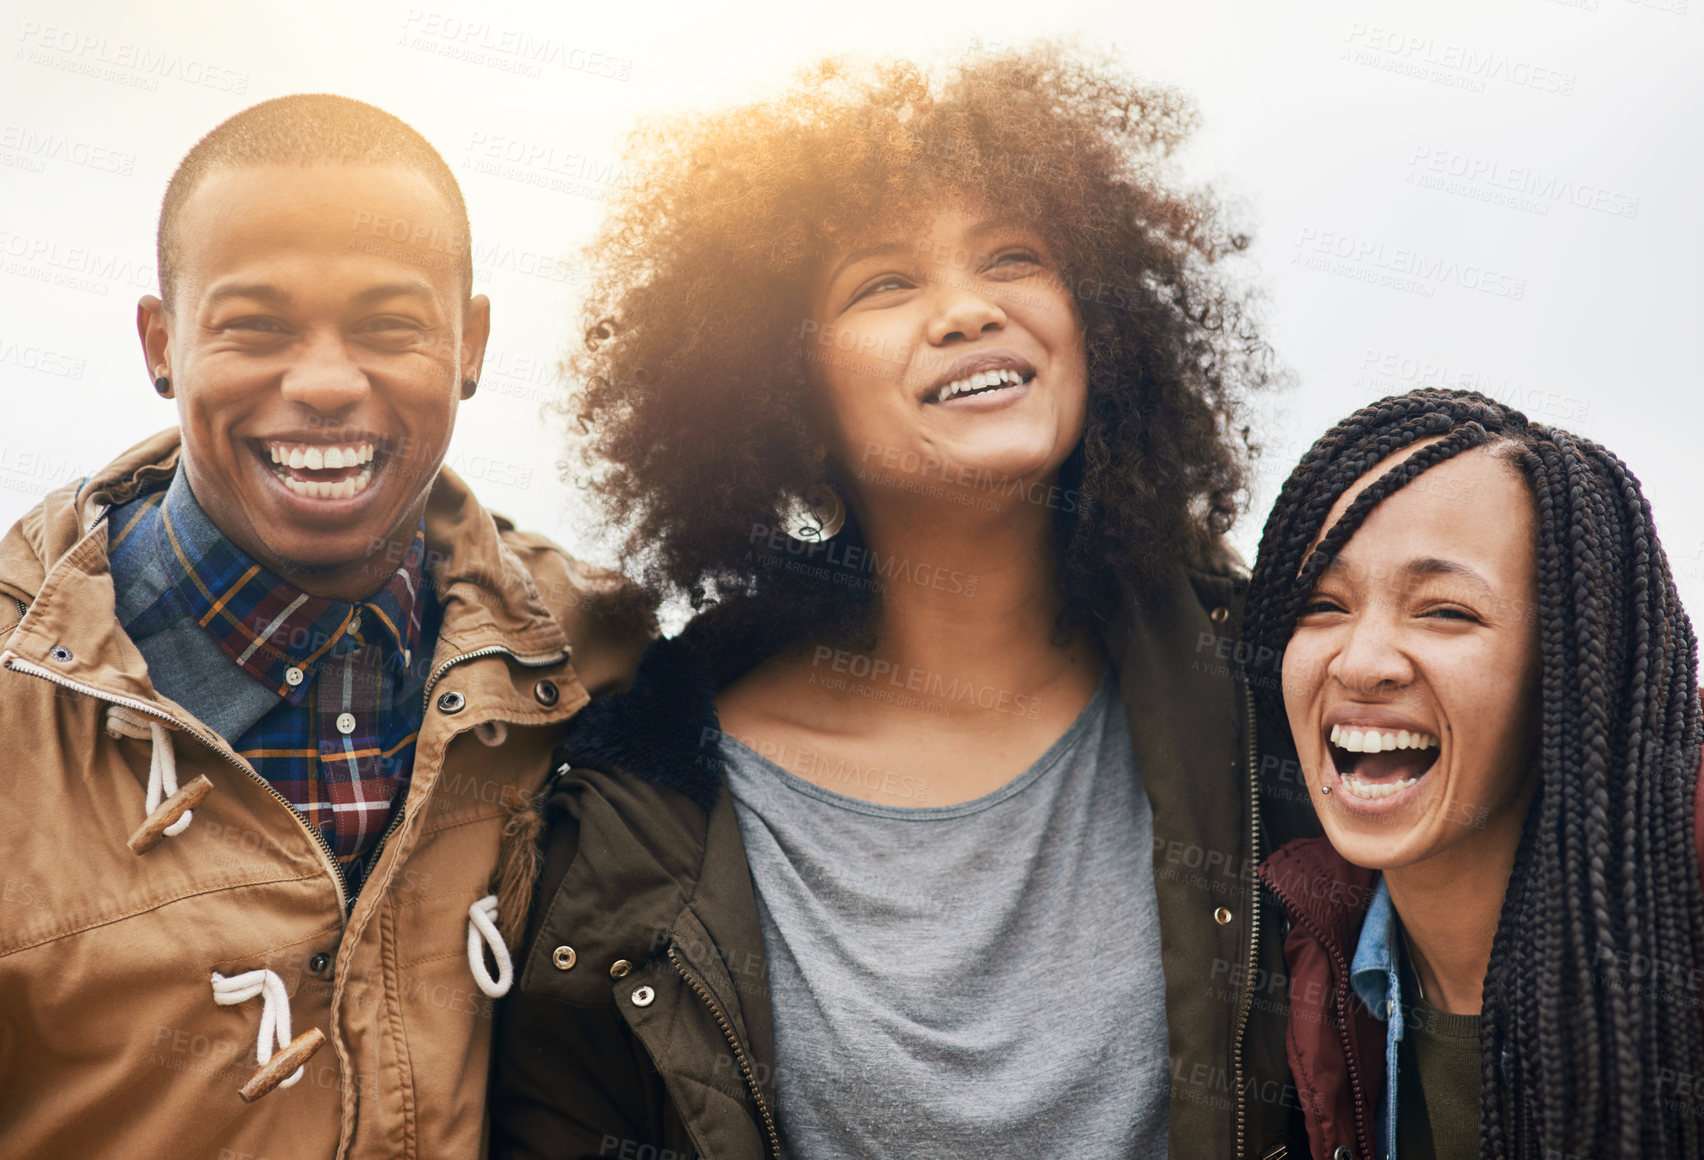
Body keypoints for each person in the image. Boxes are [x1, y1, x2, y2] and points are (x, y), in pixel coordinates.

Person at [491, 46, 1316, 1159]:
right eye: (887, 282)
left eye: (1015, 256)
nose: (969, 310)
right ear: (782, 390)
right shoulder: (640, 802)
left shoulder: (1270, 697)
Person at [0, 95, 649, 1158]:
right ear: (161, 344)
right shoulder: (20, 696)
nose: (325, 384)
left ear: (471, 343)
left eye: (389, 327)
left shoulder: (583, 655)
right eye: (255, 327)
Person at [1243, 389, 1704, 1159]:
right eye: (1324, 604)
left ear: (1570, 664)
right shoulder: (1302, 948)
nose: (1362, 663)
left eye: (1444, 612)